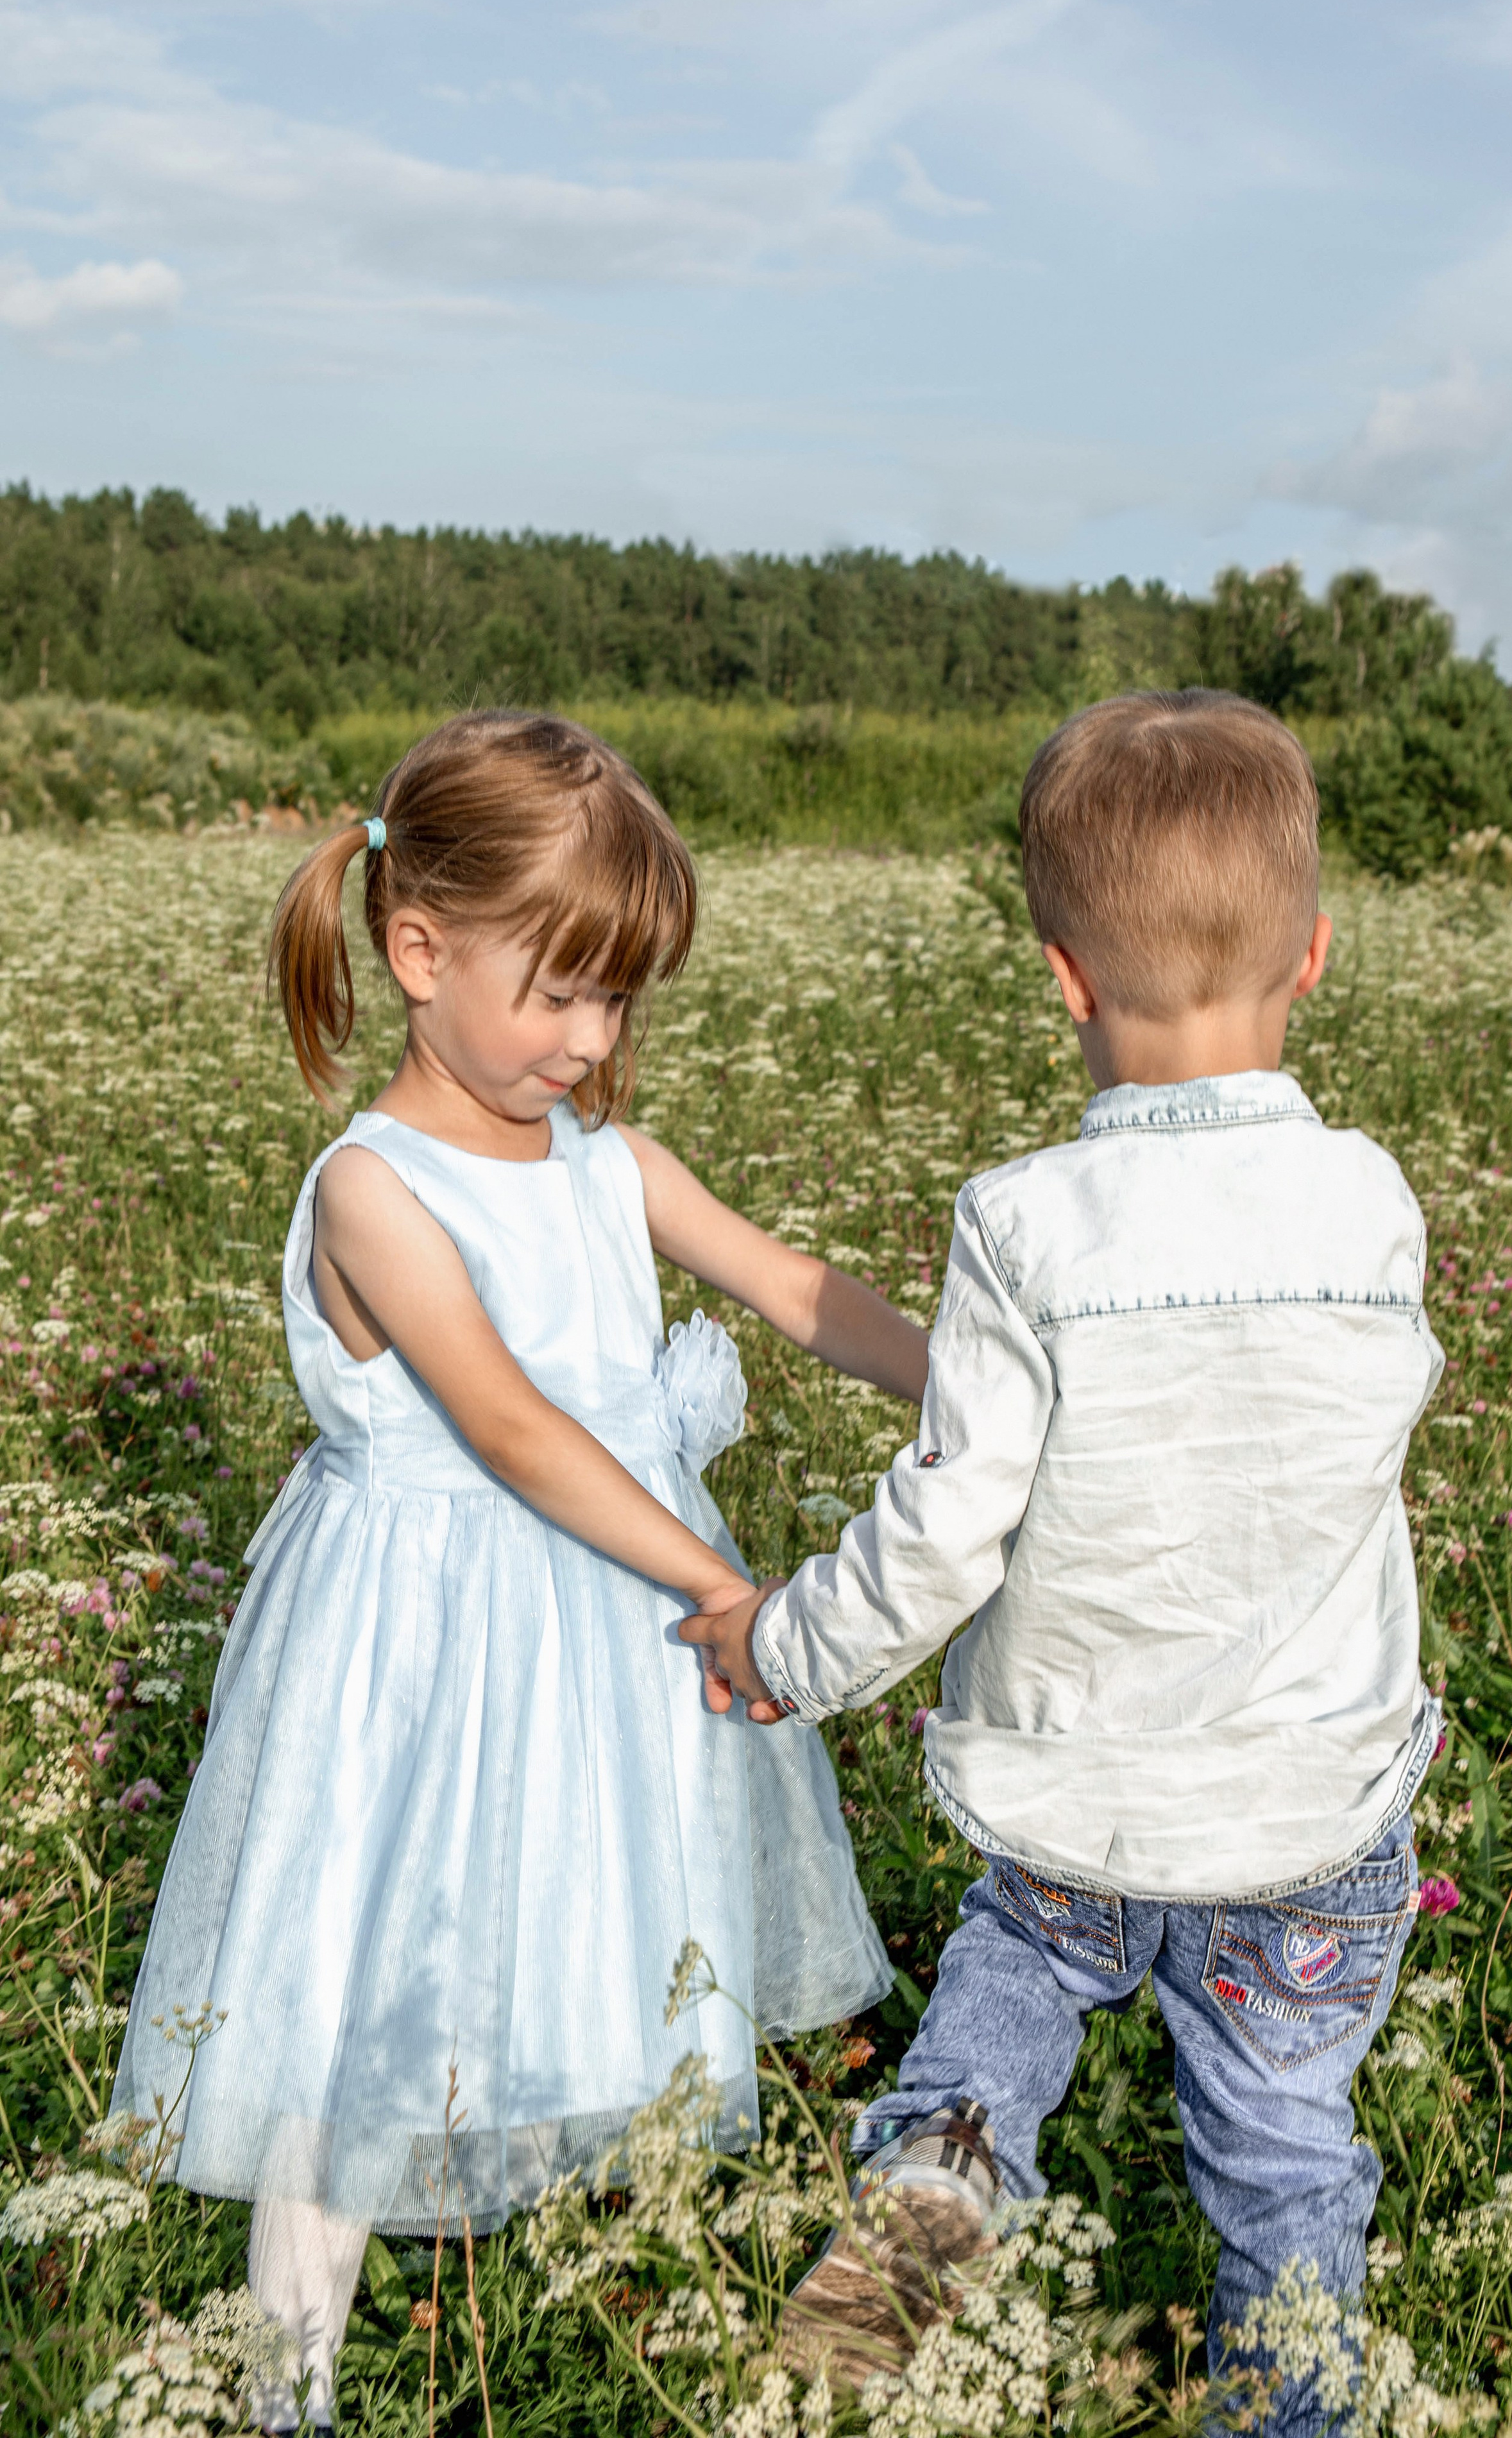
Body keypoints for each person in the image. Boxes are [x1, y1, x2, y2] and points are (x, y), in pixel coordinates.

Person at [113, 711, 921, 2429]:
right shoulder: (373, 1193)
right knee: (345, 2013)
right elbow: (514, 1430)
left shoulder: (607, 1165)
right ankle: (287, 2392)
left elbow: (790, 1285)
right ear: (418, 950)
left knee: (586, 1953)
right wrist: (734, 1588)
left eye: (619, 997)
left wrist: (980, 1385)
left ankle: (553, 2322)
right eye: (556, 991)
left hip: (603, 1649)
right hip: (421, 1666)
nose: (591, 1035)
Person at [684, 690, 1445, 2418]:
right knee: (1284, 2157)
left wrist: (778, 1642)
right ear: (1313, 953)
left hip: (1076, 1803)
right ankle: (1294, 2406)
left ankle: (858, 2356)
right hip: (1308, 1812)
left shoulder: (1024, 1224)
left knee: (985, 2064)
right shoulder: (1372, 1198)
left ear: (1063, 975)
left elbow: (950, 1527)